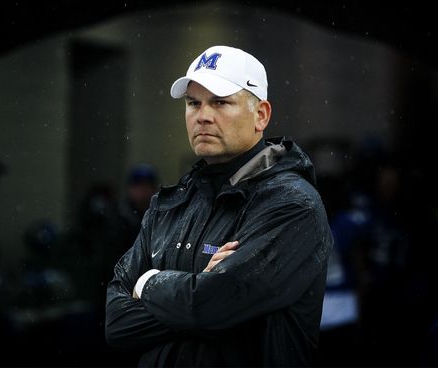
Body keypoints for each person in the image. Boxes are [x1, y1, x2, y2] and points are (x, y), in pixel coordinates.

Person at [105, 45, 333, 367]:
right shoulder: (170, 204)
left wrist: (147, 283)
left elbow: (214, 306)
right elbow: (116, 323)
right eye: (193, 103)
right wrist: (198, 291)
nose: (203, 116)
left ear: (261, 115)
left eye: (220, 102)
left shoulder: (293, 205)